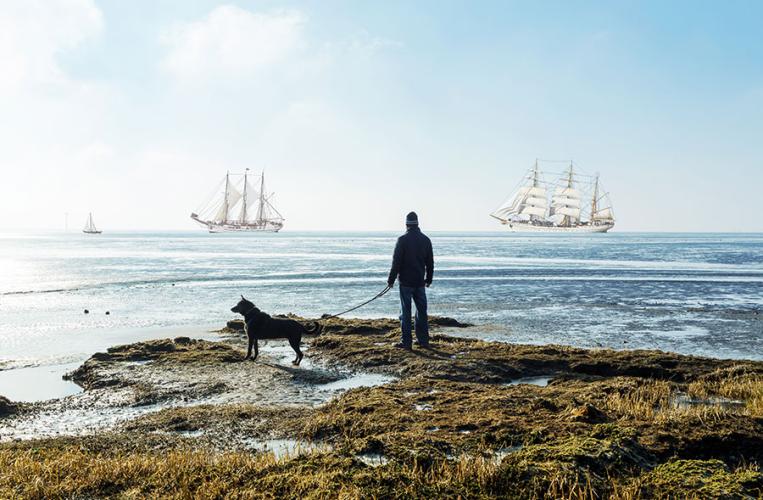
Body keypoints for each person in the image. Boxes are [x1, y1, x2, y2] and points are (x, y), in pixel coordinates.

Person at [387, 211, 434, 349]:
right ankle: (423, 341)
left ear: (406, 224)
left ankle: (406, 343)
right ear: (418, 223)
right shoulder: (426, 240)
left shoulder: (402, 240)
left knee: (405, 313)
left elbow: (396, 263)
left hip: (406, 283)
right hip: (420, 282)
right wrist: (429, 279)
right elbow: (430, 263)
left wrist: (391, 280)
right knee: (421, 312)